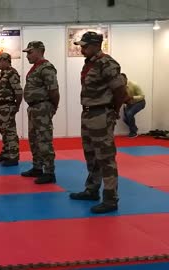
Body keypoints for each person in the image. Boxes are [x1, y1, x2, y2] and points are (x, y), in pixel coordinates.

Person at [69, 31, 129, 214]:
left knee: (106, 158)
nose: (82, 49)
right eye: (81, 46)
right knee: (91, 155)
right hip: (88, 114)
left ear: (96, 45)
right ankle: (92, 190)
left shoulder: (107, 63)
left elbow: (121, 92)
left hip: (101, 114)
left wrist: (113, 111)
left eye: (85, 46)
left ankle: (111, 199)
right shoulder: (90, 63)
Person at [20, 41, 60, 184]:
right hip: (34, 108)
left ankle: (49, 172)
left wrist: (52, 108)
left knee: (44, 140)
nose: (27, 56)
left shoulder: (46, 68)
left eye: (30, 52)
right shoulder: (36, 68)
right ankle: (37, 167)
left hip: (42, 107)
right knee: (34, 139)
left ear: (39, 51)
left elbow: (54, 91)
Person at [0, 52, 23, 167]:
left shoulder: (12, 73)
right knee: (4, 131)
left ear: (6, 61)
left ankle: (13, 157)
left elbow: (19, 92)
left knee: (10, 132)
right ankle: (5, 153)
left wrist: (17, 106)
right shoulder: (4, 73)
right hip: (1, 107)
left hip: (7, 106)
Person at [121, 73, 145, 138]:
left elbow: (142, 96)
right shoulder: (120, 87)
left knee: (129, 114)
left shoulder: (134, 85)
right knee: (125, 119)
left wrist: (132, 97)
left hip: (140, 102)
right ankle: (135, 128)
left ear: (126, 79)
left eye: (122, 79)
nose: (121, 81)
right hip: (130, 103)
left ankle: (133, 132)